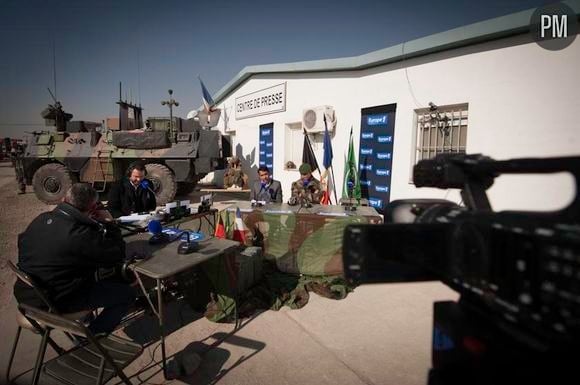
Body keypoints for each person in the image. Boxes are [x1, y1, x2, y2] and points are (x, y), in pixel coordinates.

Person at [14, 183, 136, 335]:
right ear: (92, 209)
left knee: (93, 275)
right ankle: (92, 337)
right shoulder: (78, 234)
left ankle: (87, 322)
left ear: (65, 199)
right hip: (53, 303)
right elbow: (117, 254)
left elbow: (24, 244)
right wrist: (109, 224)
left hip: (27, 295)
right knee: (127, 294)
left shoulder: (42, 219)